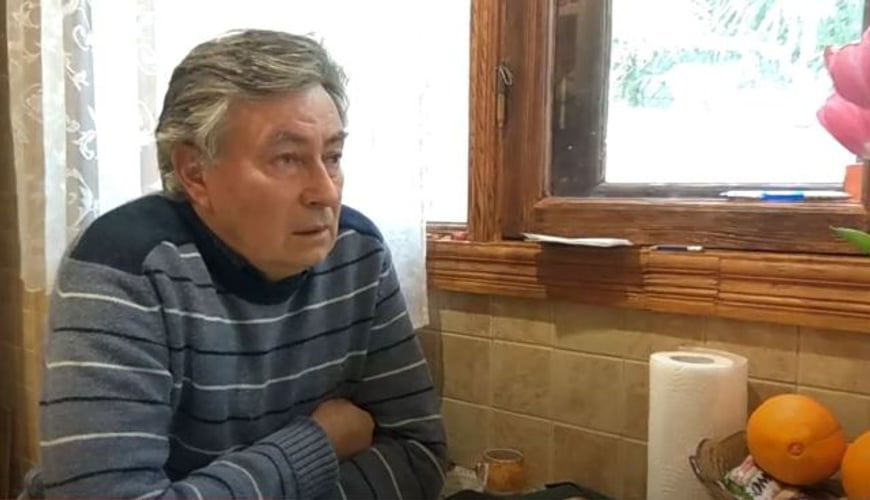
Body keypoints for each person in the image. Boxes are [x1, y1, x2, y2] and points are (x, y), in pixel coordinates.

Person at [24, 29, 447, 499]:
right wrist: (317, 443)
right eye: (287, 159)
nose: (326, 191)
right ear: (195, 173)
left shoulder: (357, 252)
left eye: (332, 156)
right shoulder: (125, 268)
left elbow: (419, 455)